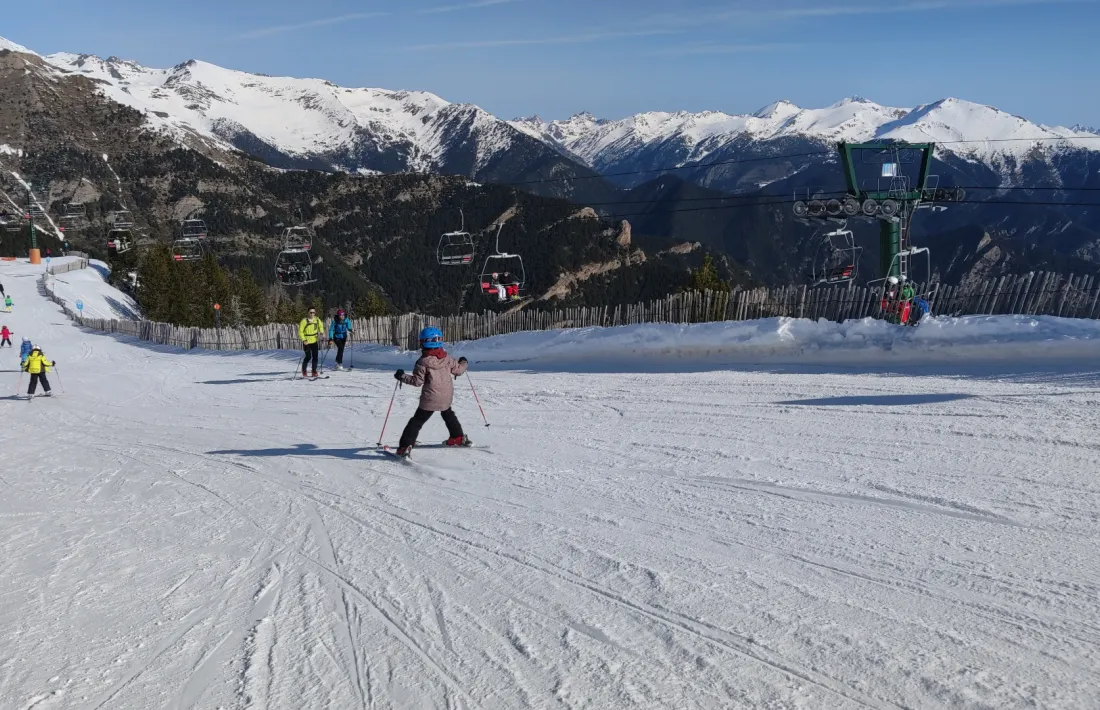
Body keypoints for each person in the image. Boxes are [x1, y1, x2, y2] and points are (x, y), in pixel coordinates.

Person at [393, 326, 470, 457]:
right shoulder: (447, 358)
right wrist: (464, 362)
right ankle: (457, 437)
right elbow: (459, 370)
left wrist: (401, 376)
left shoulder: (422, 362)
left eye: (421, 341)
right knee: (448, 414)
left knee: (416, 421)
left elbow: (417, 382)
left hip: (430, 398)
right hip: (446, 396)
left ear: (424, 342)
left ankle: (404, 447)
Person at [298, 307, 323, 377]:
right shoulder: (304, 321)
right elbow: (300, 332)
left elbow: (321, 326)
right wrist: (304, 340)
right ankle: (304, 370)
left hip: (314, 340)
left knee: (315, 357)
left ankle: (314, 371)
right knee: (308, 357)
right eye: (311, 312)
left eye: (313, 312)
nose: (312, 314)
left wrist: (321, 333)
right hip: (307, 341)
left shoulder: (317, 320)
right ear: (308, 313)